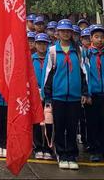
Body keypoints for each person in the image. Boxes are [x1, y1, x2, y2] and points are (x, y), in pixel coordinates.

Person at [43, 19, 90, 170]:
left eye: (68, 31)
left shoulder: (79, 51)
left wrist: (84, 92)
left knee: (72, 127)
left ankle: (71, 154)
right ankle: (61, 154)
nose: (65, 33)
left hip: (75, 97)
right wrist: (48, 96)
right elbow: (47, 75)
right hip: (58, 96)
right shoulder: (52, 51)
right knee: (60, 126)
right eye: (62, 30)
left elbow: (84, 73)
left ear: (71, 33)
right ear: (57, 33)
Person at [31, 33, 53, 160]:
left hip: (49, 94)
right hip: (35, 95)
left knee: (49, 121)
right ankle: (38, 146)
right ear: (35, 44)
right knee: (37, 122)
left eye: (44, 44)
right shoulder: (31, 59)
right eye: (39, 43)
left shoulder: (51, 58)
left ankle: (48, 147)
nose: (42, 46)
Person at [86, 24, 104, 162]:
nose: (100, 40)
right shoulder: (86, 54)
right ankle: (94, 150)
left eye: (102, 37)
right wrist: (88, 93)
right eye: (97, 37)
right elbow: (85, 75)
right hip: (93, 95)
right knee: (93, 123)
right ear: (91, 38)